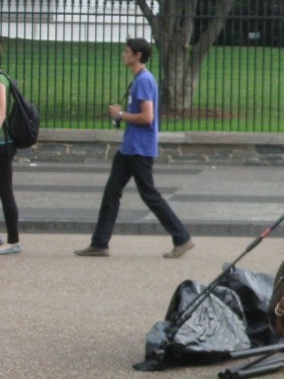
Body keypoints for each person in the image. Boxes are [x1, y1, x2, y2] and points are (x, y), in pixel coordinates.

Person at [74, 38, 194, 258]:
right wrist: (123, 113)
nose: (123, 54)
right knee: (112, 193)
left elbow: (147, 117)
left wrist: (120, 114)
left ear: (137, 56)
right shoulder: (140, 79)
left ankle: (182, 237)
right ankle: (99, 243)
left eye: (127, 51)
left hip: (139, 148)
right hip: (129, 148)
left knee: (149, 195)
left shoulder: (144, 81)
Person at [0, 38, 22, 255]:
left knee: (5, 191)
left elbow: (1, 112)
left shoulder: (0, 80)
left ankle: (14, 240)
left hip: (1, 144)